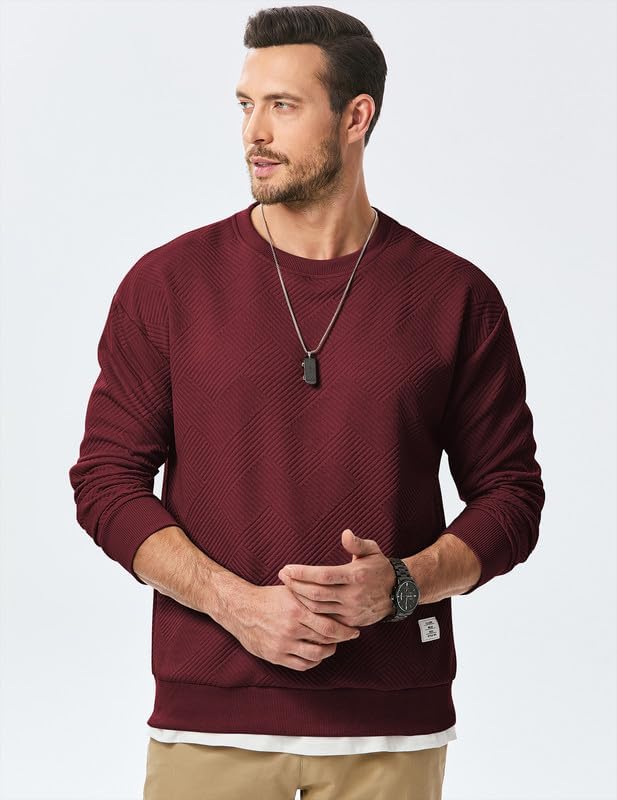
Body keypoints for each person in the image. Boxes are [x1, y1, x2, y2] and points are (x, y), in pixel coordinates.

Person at [68, 5, 545, 799]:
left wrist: (402, 584)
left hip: (391, 724)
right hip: (210, 719)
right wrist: (233, 604)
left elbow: (511, 497)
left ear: (355, 117)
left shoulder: (453, 295)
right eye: (245, 105)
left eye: (282, 106)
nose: (253, 133)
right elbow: (105, 483)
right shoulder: (168, 284)